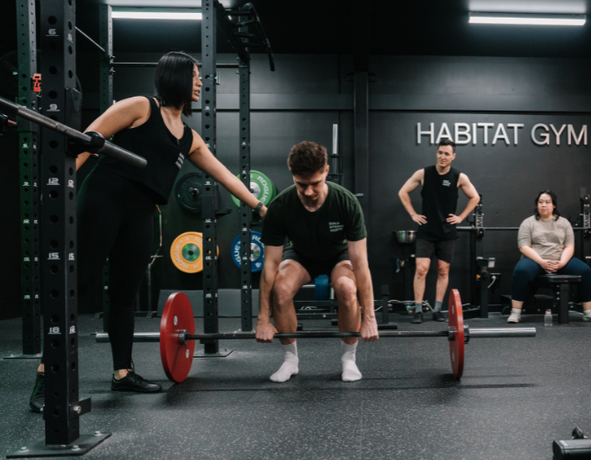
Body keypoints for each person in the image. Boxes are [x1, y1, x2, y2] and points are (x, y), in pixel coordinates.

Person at [28, 51, 267, 412]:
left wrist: (262, 208)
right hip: (104, 199)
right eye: (195, 75)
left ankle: (123, 373)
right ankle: (47, 375)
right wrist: (59, 187)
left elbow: (226, 176)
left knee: (125, 294)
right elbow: (85, 141)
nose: (200, 83)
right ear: (175, 76)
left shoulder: (189, 137)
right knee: (80, 285)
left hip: (142, 212)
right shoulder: (140, 107)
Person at [256, 141, 379, 383]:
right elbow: (269, 266)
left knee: (346, 288)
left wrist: (370, 318)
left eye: (315, 183)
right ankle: (290, 360)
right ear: (292, 175)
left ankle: (349, 359)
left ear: (326, 171)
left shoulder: (346, 202)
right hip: (301, 255)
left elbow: (360, 264)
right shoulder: (280, 207)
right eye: (301, 184)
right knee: (281, 288)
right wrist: (262, 319)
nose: (309, 192)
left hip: (338, 255)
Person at [398, 139, 480, 323]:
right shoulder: (423, 173)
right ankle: (418, 311)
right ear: (437, 153)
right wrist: (413, 214)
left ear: (453, 156)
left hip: (447, 232)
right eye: (440, 152)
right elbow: (403, 192)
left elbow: (474, 197)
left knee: (443, 270)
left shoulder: (459, 177)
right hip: (426, 230)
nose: (443, 156)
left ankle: (437, 310)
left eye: (447, 154)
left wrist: (461, 217)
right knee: (421, 269)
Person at [508, 190, 591, 323]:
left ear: (554, 205)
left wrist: (562, 262)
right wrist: (541, 262)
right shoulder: (528, 223)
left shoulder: (564, 223)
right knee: (521, 270)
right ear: (537, 204)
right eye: (540, 202)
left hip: (559, 259)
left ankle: (588, 312)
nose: (543, 205)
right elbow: (524, 247)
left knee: (585, 270)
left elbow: (569, 246)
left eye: (547, 202)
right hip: (535, 260)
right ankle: (515, 313)